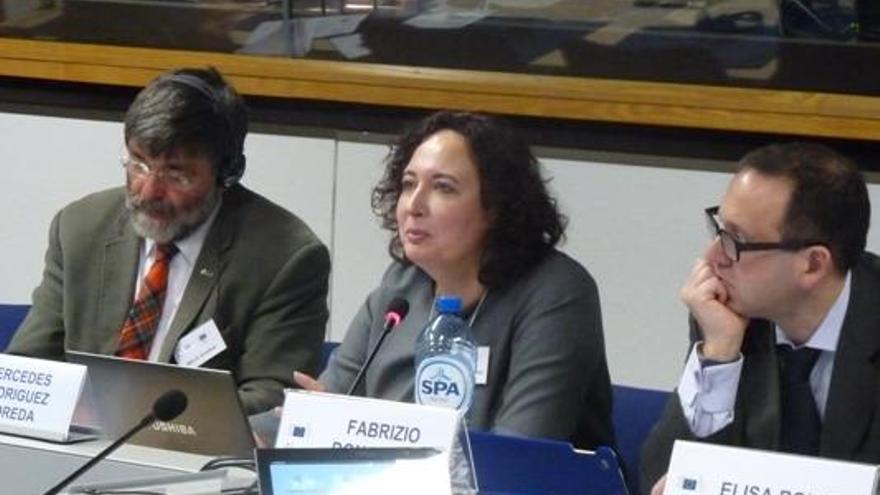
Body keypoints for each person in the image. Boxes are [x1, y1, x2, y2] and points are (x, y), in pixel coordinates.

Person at [7, 67, 330, 415]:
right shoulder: (80, 228)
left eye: (177, 174)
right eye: (139, 164)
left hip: (198, 462)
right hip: (78, 448)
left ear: (227, 174)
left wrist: (130, 417)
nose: (149, 192)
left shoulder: (285, 257)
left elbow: (273, 399)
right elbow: (29, 369)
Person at [299, 110, 614, 449]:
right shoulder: (401, 288)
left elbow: (520, 451)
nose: (413, 206)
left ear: (496, 206)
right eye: (408, 184)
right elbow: (331, 399)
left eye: (443, 188)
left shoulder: (556, 293)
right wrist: (292, 424)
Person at [640, 142, 880, 494]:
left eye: (737, 240)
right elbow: (660, 479)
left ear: (812, 264)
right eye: (719, 229)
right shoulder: (727, 316)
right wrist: (718, 353)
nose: (712, 257)